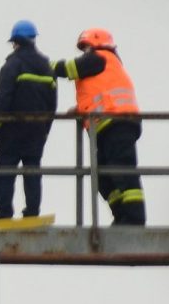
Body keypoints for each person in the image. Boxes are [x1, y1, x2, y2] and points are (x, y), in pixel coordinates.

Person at [52, 27, 145, 225]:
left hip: (118, 123)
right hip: (105, 126)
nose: (85, 51)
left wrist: (44, 66)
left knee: (122, 172)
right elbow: (98, 94)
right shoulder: (104, 66)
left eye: (86, 47)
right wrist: (80, 109)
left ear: (97, 43)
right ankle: (121, 216)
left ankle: (135, 220)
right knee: (103, 177)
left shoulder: (100, 57)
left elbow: (70, 67)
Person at [0, 20, 56, 220]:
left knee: (4, 172)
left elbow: (2, 98)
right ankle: (32, 213)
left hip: (12, 131)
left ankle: (4, 214)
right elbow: (52, 104)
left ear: (15, 42)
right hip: (36, 131)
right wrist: (45, 129)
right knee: (32, 171)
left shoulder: (12, 64)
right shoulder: (46, 66)